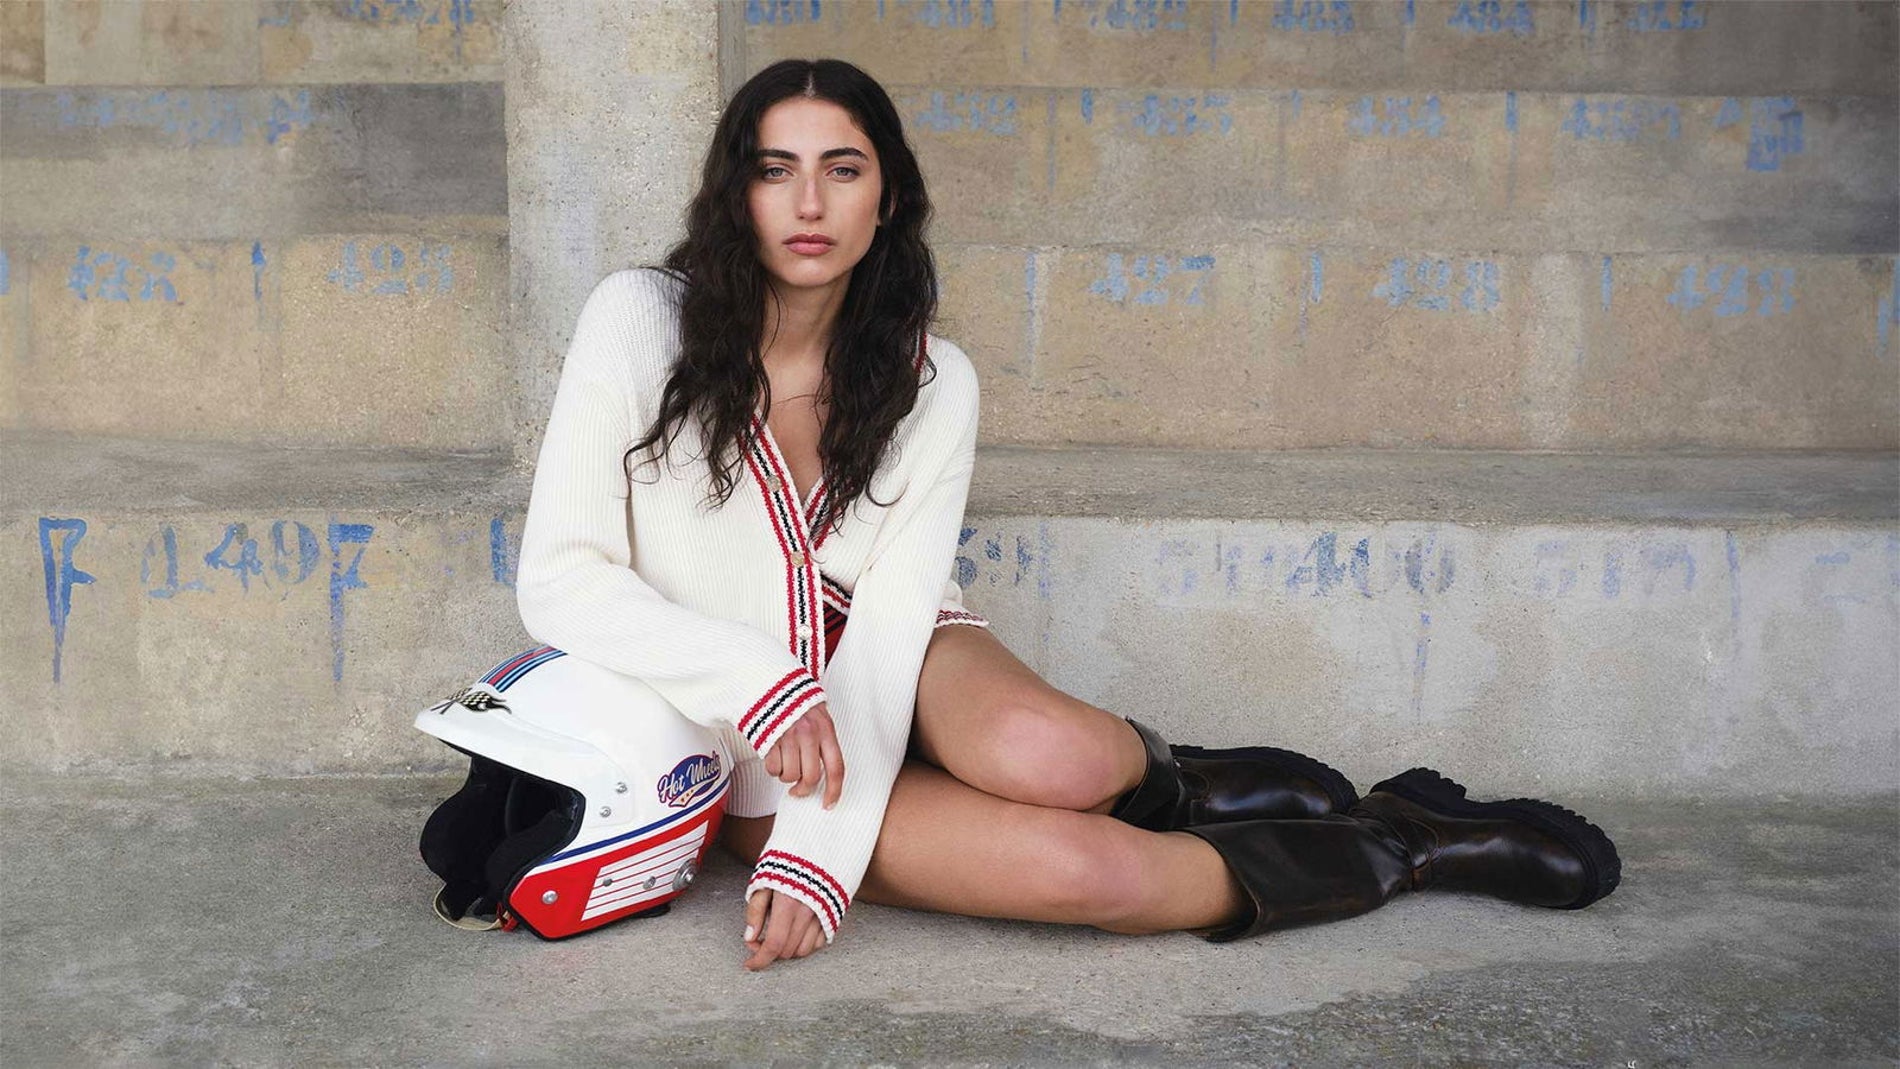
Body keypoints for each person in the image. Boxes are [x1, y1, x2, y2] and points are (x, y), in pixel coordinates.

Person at [513, 57, 1619, 972]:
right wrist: (771, 731)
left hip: (889, 650)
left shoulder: (931, 379)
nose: (809, 205)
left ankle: (1174, 781)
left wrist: (820, 848)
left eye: (842, 170)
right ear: (735, 192)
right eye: (776, 170)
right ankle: (1400, 842)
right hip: (740, 732)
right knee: (1088, 873)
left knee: (1054, 758)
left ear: (886, 198)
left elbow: (888, 626)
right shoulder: (637, 320)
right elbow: (561, 577)